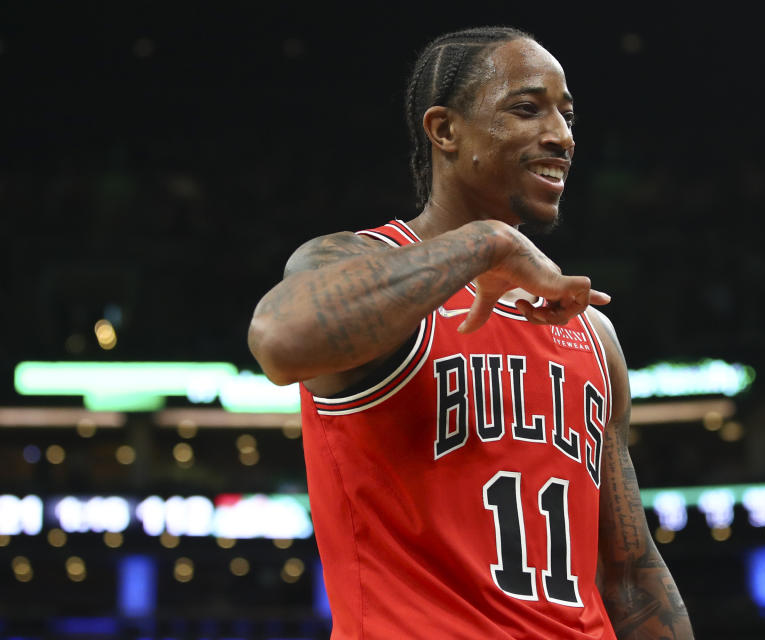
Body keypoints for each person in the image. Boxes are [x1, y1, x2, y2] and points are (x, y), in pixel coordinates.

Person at [248, 26, 694, 639]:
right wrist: (488, 243)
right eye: (527, 108)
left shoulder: (593, 334)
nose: (561, 136)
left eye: (567, 115)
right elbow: (279, 339)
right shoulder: (353, 263)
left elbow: (631, 577)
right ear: (445, 130)